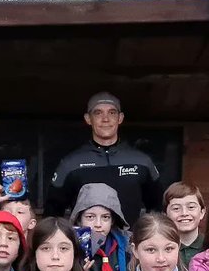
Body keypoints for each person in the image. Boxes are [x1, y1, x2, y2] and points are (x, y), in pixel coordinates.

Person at [46, 92, 163, 223]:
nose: (105, 119)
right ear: (88, 119)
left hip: (131, 241)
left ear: (120, 118)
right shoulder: (70, 163)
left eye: (112, 113)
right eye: (98, 113)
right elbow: (53, 214)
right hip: (85, 242)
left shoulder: (142, 161)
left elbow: (157, 208)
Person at [163, 181, 207, 268]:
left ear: (202, 212)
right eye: (176, 208)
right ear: (165, 215)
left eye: (191, 207)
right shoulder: (161, 249)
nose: (184, 213)